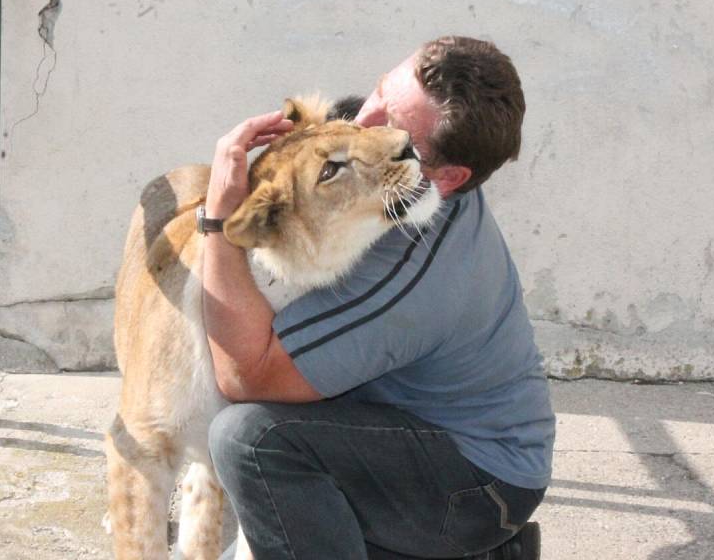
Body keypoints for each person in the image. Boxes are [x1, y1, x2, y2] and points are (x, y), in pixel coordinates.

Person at [203, 36, 556, 559]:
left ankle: (465, 545)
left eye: (398, 135)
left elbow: (247, 375)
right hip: (439, 434)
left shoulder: (405, 271)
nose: (361, 126)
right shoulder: (410, 182)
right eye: (379, 95)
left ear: (447, 177)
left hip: (476, 486)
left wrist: (218, 220)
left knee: (252, 439)